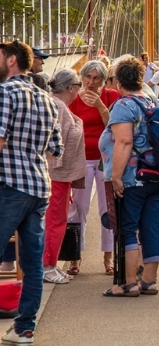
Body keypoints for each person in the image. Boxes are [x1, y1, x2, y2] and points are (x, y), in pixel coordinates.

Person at [0, 41, 63, 344]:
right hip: (39, 186)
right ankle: (24, 328)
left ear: (11, 60)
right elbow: (56, 148)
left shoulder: (5, 93)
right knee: (33, 263)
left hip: (10, 185)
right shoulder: (47, 98)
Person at [98, 56, 159, 298]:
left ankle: (128, 283)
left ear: (117, 81)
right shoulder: (150, 100)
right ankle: (149, 280)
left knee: (127, 227)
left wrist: (116, 176)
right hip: (157, 174)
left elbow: (124, 141)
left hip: (133, 177)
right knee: (151, 226)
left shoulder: (124, 106)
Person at [66, 59, 119, 276]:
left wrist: (99, 105)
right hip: (81, 159)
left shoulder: (110, 97)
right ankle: (75, 256)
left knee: (108, 209)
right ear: (82, 77)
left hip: (105, 159)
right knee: (79, 207)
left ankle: (108, 257)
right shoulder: (73, 101)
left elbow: (114, 126)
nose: (91, 82)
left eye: (97, 78)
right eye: (88, 77)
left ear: (103, 80)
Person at [43, 70, 86, 285]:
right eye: (78, 84)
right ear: (70, 88)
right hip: (57, 174)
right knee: (55, 221)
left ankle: (50, 264)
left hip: (60, 174)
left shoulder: (58, 106)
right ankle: (48, 265)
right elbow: (56, 141)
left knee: (57, 220)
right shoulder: (58, 106)